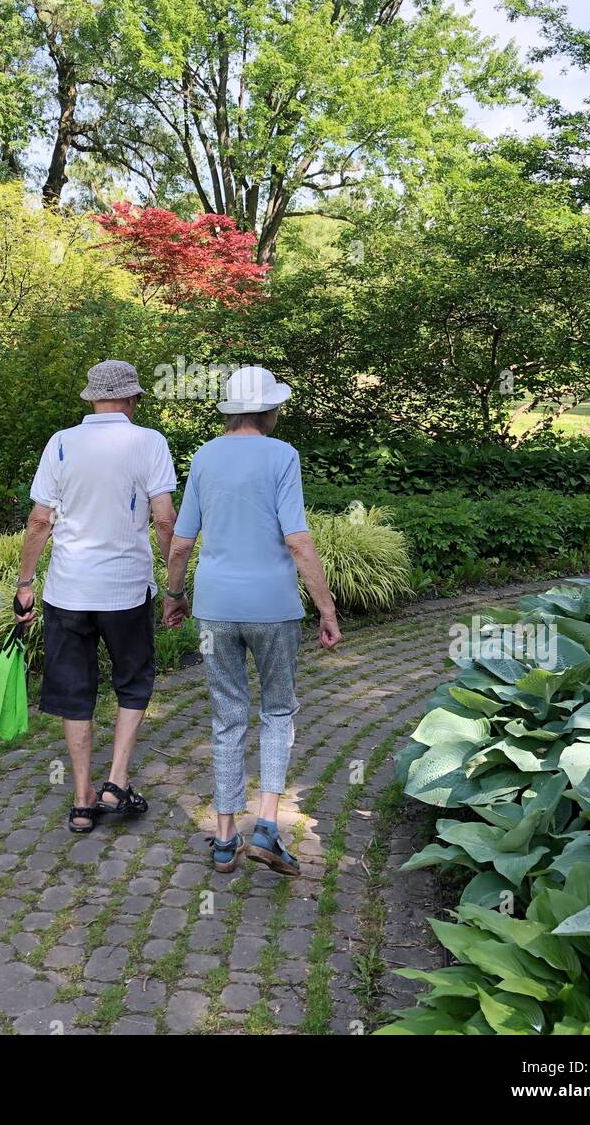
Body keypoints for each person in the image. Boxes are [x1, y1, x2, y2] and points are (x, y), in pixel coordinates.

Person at [164, 366, 341, 876]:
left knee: (227, 716)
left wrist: (175, 595)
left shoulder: (203, 456)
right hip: (273, 608)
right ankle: (265, 825)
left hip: (216, 609)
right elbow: (297, 539)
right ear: (269, 410)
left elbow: (180, 541)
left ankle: (223, 838)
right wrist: (325, 607)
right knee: (278, 711)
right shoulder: (282, 456)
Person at [14, 359, 177, 834]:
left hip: (68, 591)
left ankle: (83, 800)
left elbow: (40, 520)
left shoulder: (61, 443)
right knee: (132, 681)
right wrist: (174, 587)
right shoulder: (148, 442)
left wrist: (25, 584)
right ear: (131, 400)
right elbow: (165, 519)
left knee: (73, 690)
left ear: (91, 399)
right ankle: (116, 780)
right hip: (126, 591)